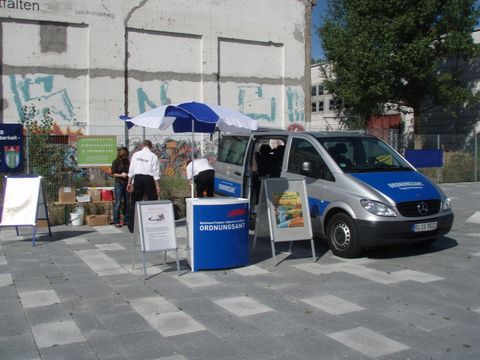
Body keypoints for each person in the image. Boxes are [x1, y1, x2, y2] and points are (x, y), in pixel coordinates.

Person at [127, 139, 161, 233]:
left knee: (135, 202)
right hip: (149, 179)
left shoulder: (136, 154)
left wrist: (129, 182)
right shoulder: (153, 156)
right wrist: (157, 185)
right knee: (152, 201)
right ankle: (153, 223)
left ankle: (132, 226)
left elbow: (132, 169)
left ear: (142, 145)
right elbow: (156, 172)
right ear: (151, 147)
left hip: (138, 178)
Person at [111, 147, 130, 227]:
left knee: (127, 202)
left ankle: (126, 220)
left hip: (126, 183)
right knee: (118, 203)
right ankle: (116, 221)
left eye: (126, 155)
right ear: (121, 155)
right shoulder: (115, 162)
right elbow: (113, 173)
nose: (125, 157)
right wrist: (121, 175)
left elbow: (130, 171)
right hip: (119, 183)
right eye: (124, 155)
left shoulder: (127, 161)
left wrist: (129, 178)